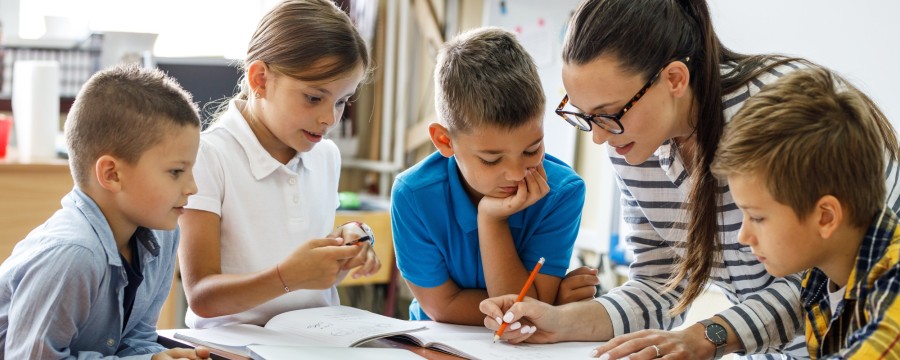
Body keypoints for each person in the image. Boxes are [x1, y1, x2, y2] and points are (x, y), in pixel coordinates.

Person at [480, 0, 900, 359]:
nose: (601, 139)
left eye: (609, 114)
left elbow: (826, 272)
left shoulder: (778, 123)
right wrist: (560, 322)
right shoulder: (635, 141)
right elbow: (661, 283)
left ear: (675, 79)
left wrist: (708, 336)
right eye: (585, 116)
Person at [178, 0, 380, 328]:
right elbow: (202, 296)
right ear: (260, 79)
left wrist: (345, 245)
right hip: (233, 347)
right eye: (314, 97)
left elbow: (306, 261)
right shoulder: (208, 155)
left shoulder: (326, 155)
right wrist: (287, 276)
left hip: (316, 340)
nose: (329, 118)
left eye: (342, 101)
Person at [0, 65, 210, 359]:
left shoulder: (163, 236)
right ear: (111, 174)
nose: (192, 187)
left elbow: (136, 337)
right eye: (176, 171)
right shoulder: (74, 254)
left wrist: (153, 356)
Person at [391, 27, 587, 326]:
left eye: (532, 150)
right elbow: (442, 308)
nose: (517, 172)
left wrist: (491, 220)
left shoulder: (561, 192)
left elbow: (527, 310)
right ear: (445, 142)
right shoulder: (413, 195)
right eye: (491, 159)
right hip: (435, 343)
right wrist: (549, 303)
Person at [711, 67, 900, 359]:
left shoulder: (895, 283)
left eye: (757, 218)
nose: (744, 236)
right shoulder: (819, 283)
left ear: (826, 217)